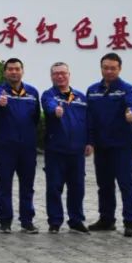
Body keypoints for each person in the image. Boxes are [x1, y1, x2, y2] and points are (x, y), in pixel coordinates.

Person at [86, 52, 132, 237]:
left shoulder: (127, 89)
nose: (109, 71)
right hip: (101, 146)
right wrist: (90, 141)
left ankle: (130, 221)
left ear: (119, 69)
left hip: (121, 146)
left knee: (125, 183)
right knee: (104, 185)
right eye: (106, 68)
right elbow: (89, 118)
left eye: (113, 68)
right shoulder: (93, 90)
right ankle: (106, 219)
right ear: (101, 68)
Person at [0, 58, 41, 234]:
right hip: (6, 147)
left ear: (22, 71)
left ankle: (27, 221)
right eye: (10, 69)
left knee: (27, 186)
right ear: (5, 72)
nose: (14, 72)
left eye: (17, 69)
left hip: (27, 147)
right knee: (4, 185)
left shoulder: (32, 92)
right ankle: (5, 221)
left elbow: (36, 118)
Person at [40, 62, 91, 234]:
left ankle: (76, 220)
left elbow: (88, 122)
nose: (60, 76)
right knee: (54, 187)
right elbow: (49, 105)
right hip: (56, 150)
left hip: (77, 151)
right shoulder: (49, 95)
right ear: (51, 77)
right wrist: (55, 110)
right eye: (56, 74)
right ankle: (55, 221)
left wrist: (89, 142)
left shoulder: (81, 98)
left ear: (69, 75)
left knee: (77, 187)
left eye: (63, 73)